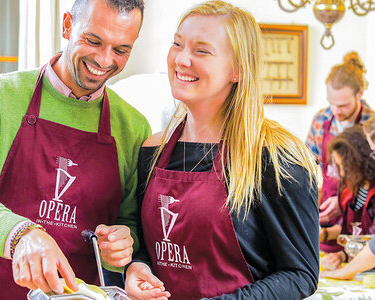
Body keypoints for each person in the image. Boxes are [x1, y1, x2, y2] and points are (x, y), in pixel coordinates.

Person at [124, 1, 320, 299]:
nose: (182, 59)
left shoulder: (275, 158)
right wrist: (137, 268)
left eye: (202, 51)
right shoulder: (153, 150)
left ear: (237, 70)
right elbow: (145, 247)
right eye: (177, 44)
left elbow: (300, 274)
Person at [0, 0, 150, 299]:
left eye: (121, 50)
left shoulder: (133, 127)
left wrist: (122, 243)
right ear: (67, 25)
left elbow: (130, 223)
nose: (104, 60)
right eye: (93, 41)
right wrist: (22, 235)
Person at [306, 51, 373, 252]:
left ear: (359, 94)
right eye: (331, 102)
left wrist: (345, 201)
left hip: (360, 220)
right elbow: (307, 167)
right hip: (325, 216)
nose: (335, 111)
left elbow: (372, 181)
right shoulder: (321, 119)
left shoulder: (371, 126)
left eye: (342, 105)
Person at [321, 116, 375, 279]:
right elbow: (353, 230)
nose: (342, 173)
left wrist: (344, 272)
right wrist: (343, 255)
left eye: (345, 166)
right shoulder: (351, 191)